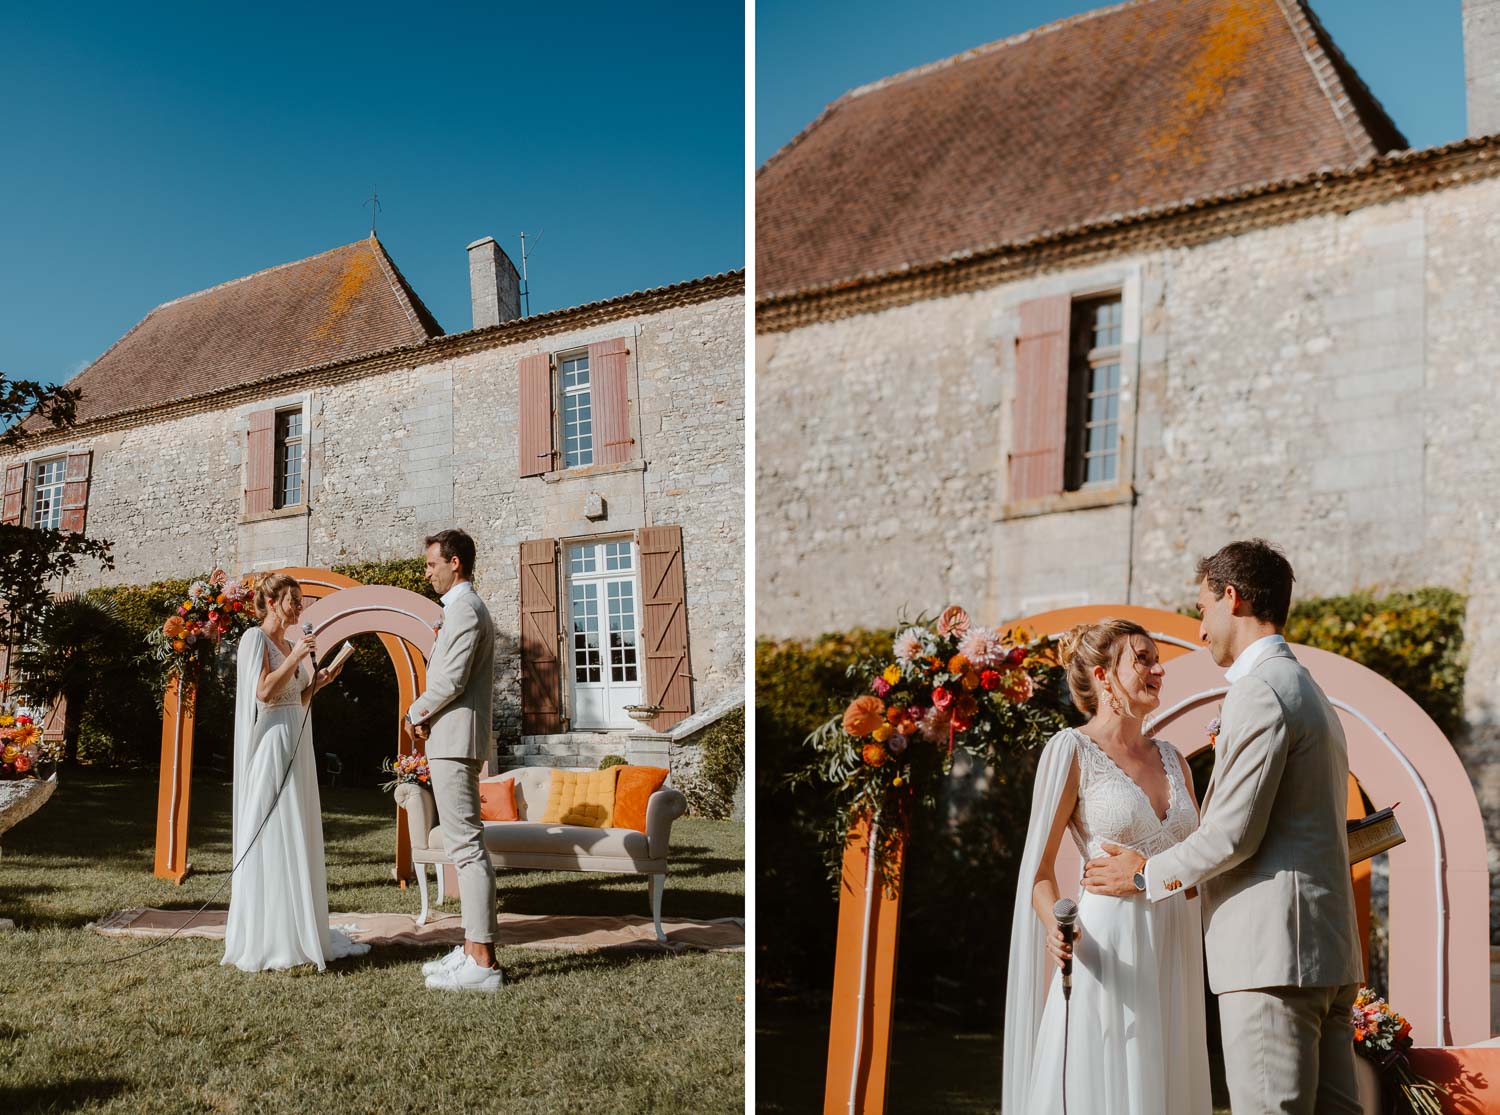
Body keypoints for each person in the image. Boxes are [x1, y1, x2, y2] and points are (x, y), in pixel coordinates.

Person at [1084, 540, 1364, 1114]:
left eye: (1202, 608)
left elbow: (1233, 835)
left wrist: (1143, 875)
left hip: (1273, 956)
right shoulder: (1308, 690)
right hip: (1326, 953)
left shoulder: (1261, 692)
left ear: (1231, 597)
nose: (1200, 627)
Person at [1003, 618, 1211, 1115]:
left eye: (1156, 660)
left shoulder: (1174, 759)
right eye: (1142, 659)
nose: (1158, 670)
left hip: (1176, 940)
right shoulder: (1071, 750)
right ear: (1102, 675)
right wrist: (1055, 923)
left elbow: (1201, 859)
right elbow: (1039, 870)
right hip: (1109, 942)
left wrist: (1155, 874)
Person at [222, 572, 366, 972]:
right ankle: (270, 934)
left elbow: (294, 698)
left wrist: (320, 682)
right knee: (272, 826)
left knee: (295, 826)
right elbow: (264, 692)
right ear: (272, 603)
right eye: (293, 600)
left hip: (296, 739)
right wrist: (296, 657)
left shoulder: (289, 644)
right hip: (272, 742)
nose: (299, 607)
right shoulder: (255, 639)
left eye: (300, 600)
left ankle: (298, 926)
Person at [405, 528, 501, 993]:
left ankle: (482, 962)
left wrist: (415, 712)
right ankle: (469, 948)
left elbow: (451, 681)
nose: (427, 573)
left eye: (431, 564)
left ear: (455, 562)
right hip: (450, 738)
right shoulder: (460, 609)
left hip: (456, 742)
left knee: (466, 849)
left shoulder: (465, 609)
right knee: (464, 848)